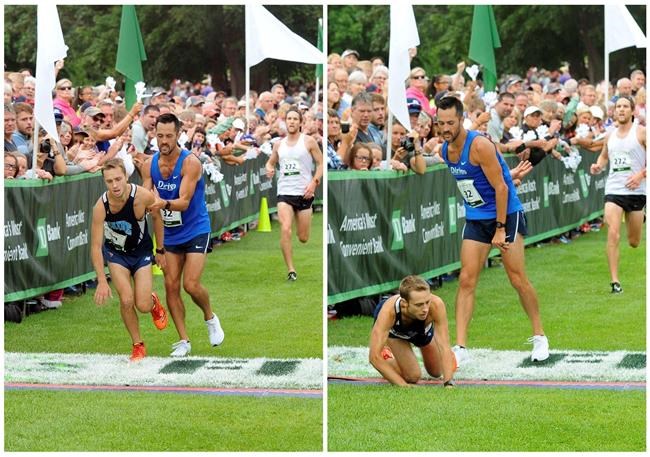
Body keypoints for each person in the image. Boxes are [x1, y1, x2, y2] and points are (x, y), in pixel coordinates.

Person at [436, 95, 549, 365]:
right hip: (476, 217)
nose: (445, 128)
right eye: (440, 123)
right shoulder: (444, 150)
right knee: (466, 280)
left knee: (517, 278)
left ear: (461, 120)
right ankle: (460, 347)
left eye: (450, 123)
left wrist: (499, 228)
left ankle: (539, 336)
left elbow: (501, 187)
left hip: (505, 214)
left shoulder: (479, 145)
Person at [144, 113, 225, 357]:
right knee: (170, 286)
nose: (164, 141)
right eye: (160, 136)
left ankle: (210, 318)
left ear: (178, 134)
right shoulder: (149, 164)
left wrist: (161, 203)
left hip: (196, 228)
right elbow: (146, 197)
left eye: (169, 136)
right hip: (170, 234)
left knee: (190, 284)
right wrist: (144, 203)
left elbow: (184, 202)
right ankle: (183, 340)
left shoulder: (191, 163)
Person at [90, 158, 168, 362]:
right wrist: (101, 280)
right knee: (126, 300)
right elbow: (95, 246)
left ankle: (153, 302)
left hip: (141, 253)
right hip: (117, 255)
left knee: (142, 305)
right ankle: (137, 345)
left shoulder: (142, 196)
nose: (115, 185)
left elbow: (157, 217)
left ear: (126, 176)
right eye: (109, 181)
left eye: (118, 179)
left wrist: (160, 249)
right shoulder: (101, 206)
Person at [589, 95, 646, 294]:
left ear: (632, 110)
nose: (621, 109)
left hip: (637, 191)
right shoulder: (609, 135)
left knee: (633, 241)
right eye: (618, 106)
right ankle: (615, 281)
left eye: (625, 106)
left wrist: (641, 175)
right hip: (614, 189)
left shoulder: (642, 132)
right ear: (614, 111)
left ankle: (641, 217)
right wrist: (598, 166)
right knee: (613, 232)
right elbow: (604, 156)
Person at [265, 108, 323, 281]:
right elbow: (270, 162)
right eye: (289, 118)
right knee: (285, 228)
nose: (291, 121)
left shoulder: (309, 141)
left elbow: (320, 164)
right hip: (285, 192)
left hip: (304, 193)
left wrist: (314, 182)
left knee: (303, 238)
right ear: (285, 121)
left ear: (300, 122)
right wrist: (269, 169)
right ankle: (291, 270)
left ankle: (301, 224)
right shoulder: (278, 144)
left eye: (295, 119)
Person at [369, 275, 456, 387]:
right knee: (412, 376)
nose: (425, 309)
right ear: (404, 303)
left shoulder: (436, 305)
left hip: (421, 330)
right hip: (397, 333)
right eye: (419, 305)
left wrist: (449, 383)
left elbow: (444, 345)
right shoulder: (388, 312)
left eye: (427, 302)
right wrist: (404, 386)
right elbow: (374, 357)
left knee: (436, 372)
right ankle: (387, 353)